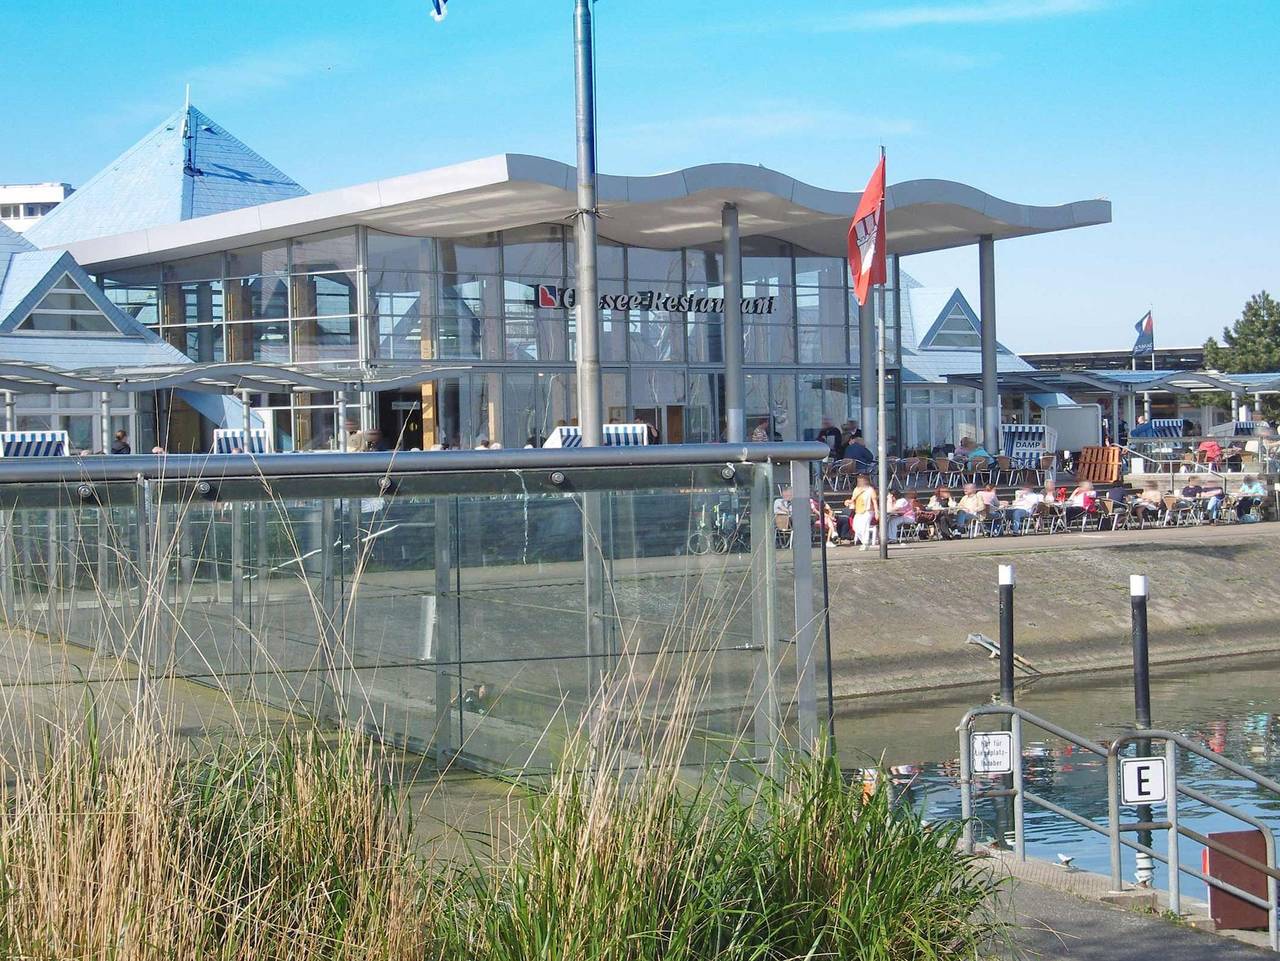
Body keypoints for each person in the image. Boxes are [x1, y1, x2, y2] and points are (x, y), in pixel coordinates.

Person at [845, 474, 878, 550]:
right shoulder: (856, 489)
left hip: (868, 511)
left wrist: (876, 512)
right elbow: (852, 499)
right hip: (858, 510)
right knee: (855, 527)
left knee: (864, 526)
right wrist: (849, 502)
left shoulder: (870, 490)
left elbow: (874, 501)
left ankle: (865, 543)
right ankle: (864, 541)